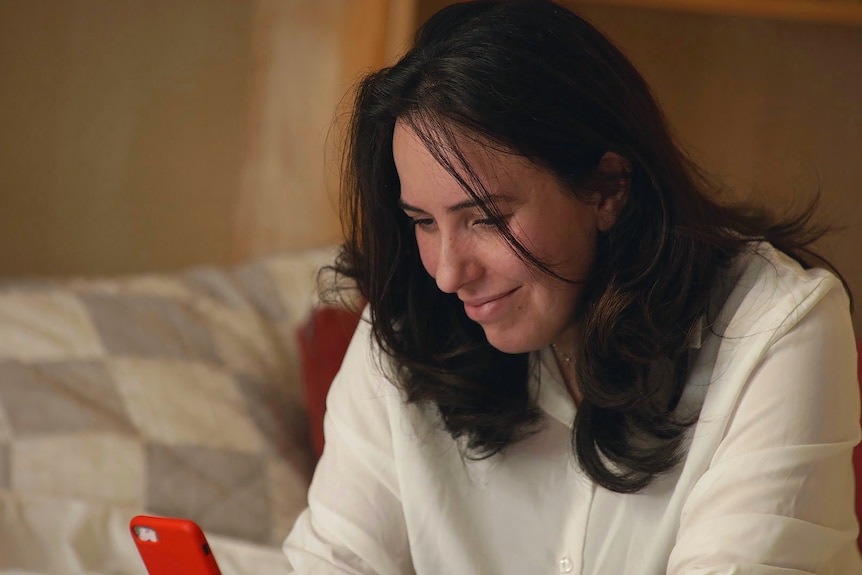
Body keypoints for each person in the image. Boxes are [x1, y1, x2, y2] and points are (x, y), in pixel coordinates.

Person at [284, 0, 861, 572]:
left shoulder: (778, 327)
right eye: (424, 222)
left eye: (486, 217)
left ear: (607, 188)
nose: (448, 273)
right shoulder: (409, 322)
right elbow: (334, 561)